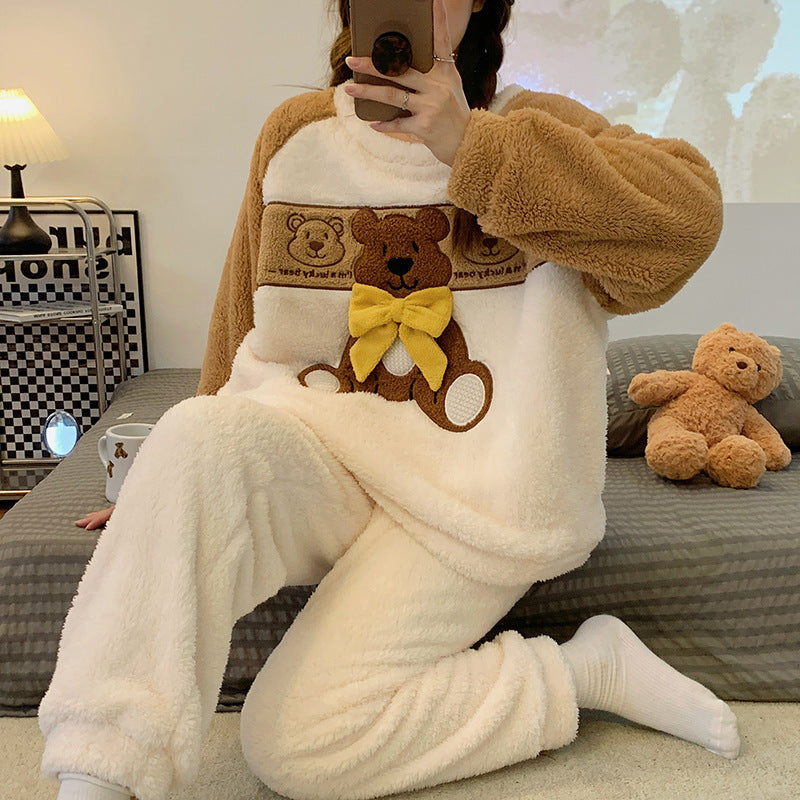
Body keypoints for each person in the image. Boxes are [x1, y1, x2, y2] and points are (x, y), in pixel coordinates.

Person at [43, 1, 739, 799]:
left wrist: (471, 147)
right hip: (321, 455)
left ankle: (586, 671)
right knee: (195, 437)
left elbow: (688, 220)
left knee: (297, 748)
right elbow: (242, 316)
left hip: (472, 498)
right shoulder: (296, 135)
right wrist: (166, 491)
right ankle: (96, 777)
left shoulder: (540, 129)